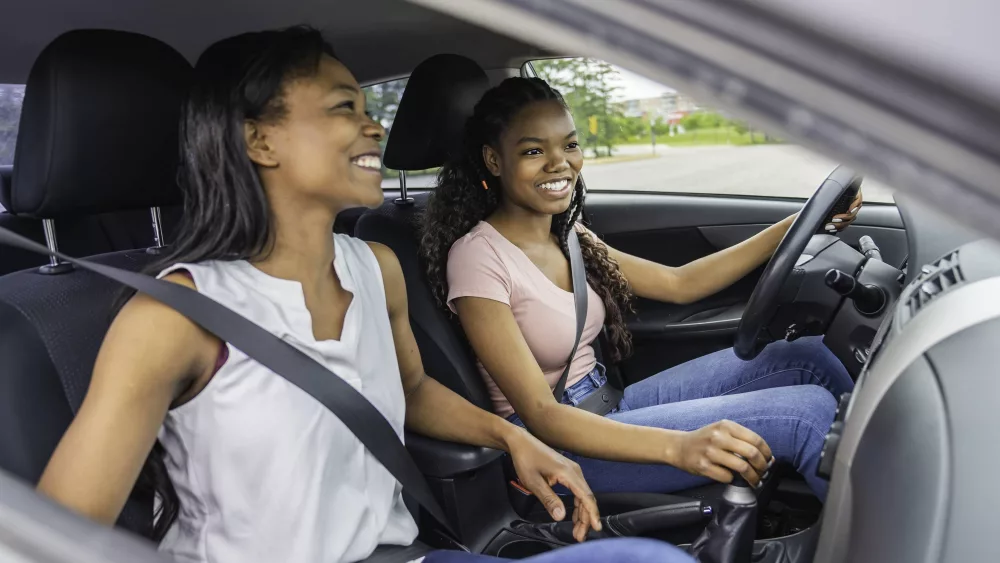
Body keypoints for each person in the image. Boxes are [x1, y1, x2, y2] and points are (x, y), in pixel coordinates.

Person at [34, 28, 697, 563]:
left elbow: (409, 391)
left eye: (365, 105)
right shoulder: (173, 316)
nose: (374, 126)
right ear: (258, 140)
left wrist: (513, 437)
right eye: (342, 107)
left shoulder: (376, 265)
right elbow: (53, 541)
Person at [420, 77, 859, 500]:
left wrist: (799, 223)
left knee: (806, 355)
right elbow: (542, 414)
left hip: (608, 403)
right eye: (534, 150)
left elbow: (680, 283)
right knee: (806, 414)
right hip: (558, 449)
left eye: (570, 144)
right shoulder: (477, 257)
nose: (560, 163)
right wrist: (679, 447)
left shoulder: (569, 232)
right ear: (494, 161)